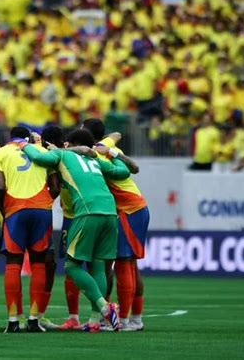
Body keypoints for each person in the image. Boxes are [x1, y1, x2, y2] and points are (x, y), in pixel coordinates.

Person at [16, 129, 131, 332]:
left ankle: (105, 308)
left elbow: (38, 158)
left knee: (71, 266)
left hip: (87, 211)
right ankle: (95, 321)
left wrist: (23, 145)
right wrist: (113, 154)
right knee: (97, 264)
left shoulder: (63, 155)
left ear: (70, 144)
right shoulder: (94, 160)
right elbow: (123, 172)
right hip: (110, 213)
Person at [82, 118, 150, 331]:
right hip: (131, 208)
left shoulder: (96, 154)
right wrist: (111, 150)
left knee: (123, 263)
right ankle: (135, 318)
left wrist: (109, 152)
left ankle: (125, 319)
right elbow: (116, 135)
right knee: (127, 264)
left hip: (130, 210)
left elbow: (131, 165)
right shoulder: (106, 146)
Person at [0, 126, 59, 333]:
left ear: (9, 137)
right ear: (29, 137)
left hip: (15, 210)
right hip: (41, 210)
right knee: (39, 262)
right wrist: (44, 203)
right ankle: (33, 320)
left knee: (13, 262)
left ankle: (13, 321)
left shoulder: (0, 153)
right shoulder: (43, 152)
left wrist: (6, 210)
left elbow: (0, 187)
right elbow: (56, 187)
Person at [40, 126, 81, 331]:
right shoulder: (88, 155)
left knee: (69, 267)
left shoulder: (54, 157)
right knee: (95, 265)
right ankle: (99, 315)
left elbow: (55, 188)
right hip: (84, 214)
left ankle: (35, 315)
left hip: (73, 218)